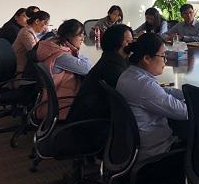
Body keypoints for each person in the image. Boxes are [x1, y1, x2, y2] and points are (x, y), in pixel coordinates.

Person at [116, 33, 187, 163]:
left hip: (135, 146)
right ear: (147, 58)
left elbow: (163, 91)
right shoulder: (144, 85)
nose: (166, 61)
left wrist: (190, 94)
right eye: (163, 56)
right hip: (157, 153)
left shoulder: (129, 74)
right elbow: (183, 112)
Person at [67, 24, 133, 121]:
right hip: (93, 124)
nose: (131, 45)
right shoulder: (114, 69)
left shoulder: (108, 60)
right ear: (117, 43)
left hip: (86, 120)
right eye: (128, 41)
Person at [36, 19, 91, 120]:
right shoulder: (61, 56)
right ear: (68, 36)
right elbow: (87, 69)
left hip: (54, 101)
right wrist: (77, 51)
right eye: (80, 35)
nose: (83, 38)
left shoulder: (53, 46)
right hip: (63, 105)